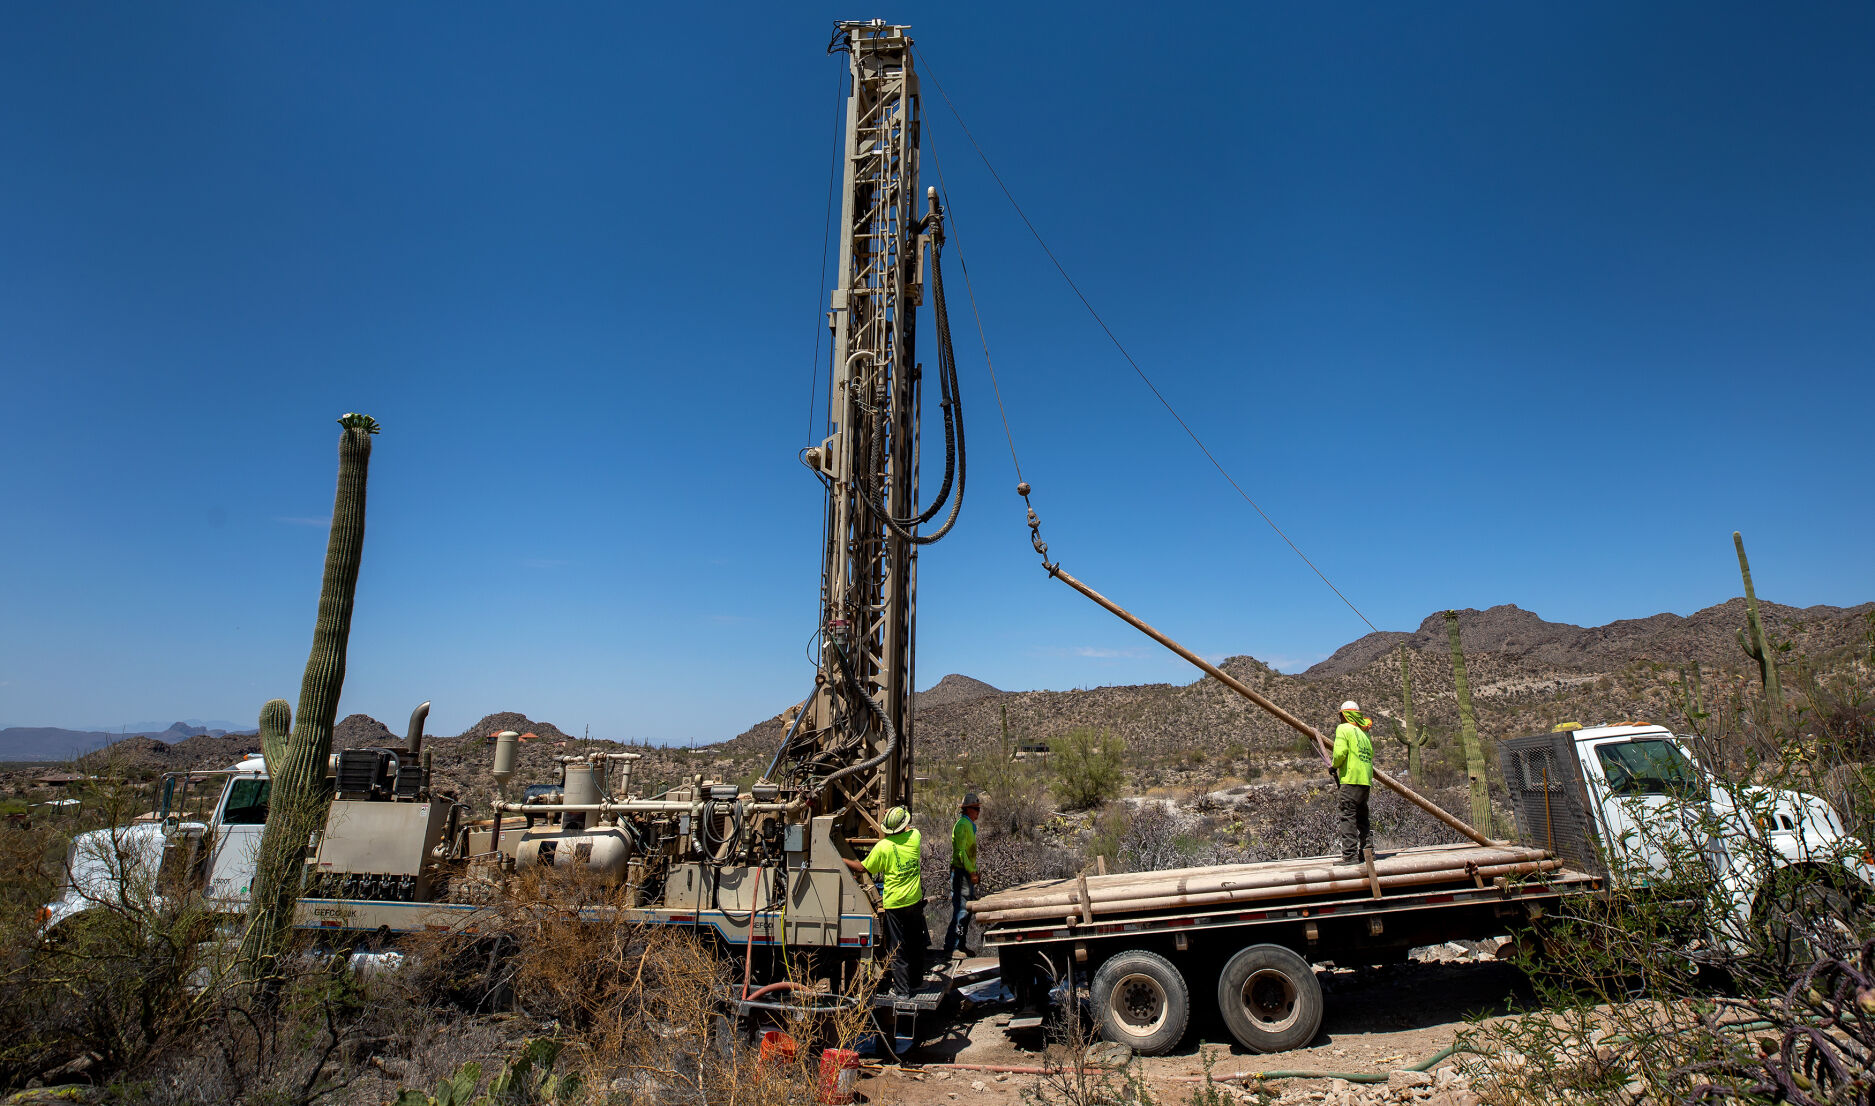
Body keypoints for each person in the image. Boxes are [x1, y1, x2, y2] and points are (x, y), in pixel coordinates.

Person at [843, 805, 929, 994]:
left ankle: (901, 990)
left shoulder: (883, 847)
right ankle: (917, 982)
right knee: (915, 942)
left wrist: (841, 860)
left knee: (897, 947)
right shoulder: (915, 838)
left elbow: (861, 868)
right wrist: (895, 814)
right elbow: (910, 827)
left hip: (894, 904)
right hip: (913, 901)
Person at [1333, 700, 1375, 864]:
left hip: (1350, 780)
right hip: (1365, 781)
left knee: (1348, 816)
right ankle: (1368, 852)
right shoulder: (1364, 732)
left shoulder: (1343, 729)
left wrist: (1334, 765)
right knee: (1362, 817)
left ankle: (1349, 856)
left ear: (1344, 715)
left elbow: (1340, 753)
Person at [943, 792, 981, 959]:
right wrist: (970, 871)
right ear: (967, 810)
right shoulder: (961, 826)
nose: (978, 812)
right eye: (975, 809)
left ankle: (961, 944)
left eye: (979, 809)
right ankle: (952, 946)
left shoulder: (970, 825)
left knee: (967, 909)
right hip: (961, 873)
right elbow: (960, 853)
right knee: (961, 909)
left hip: (966, 872)